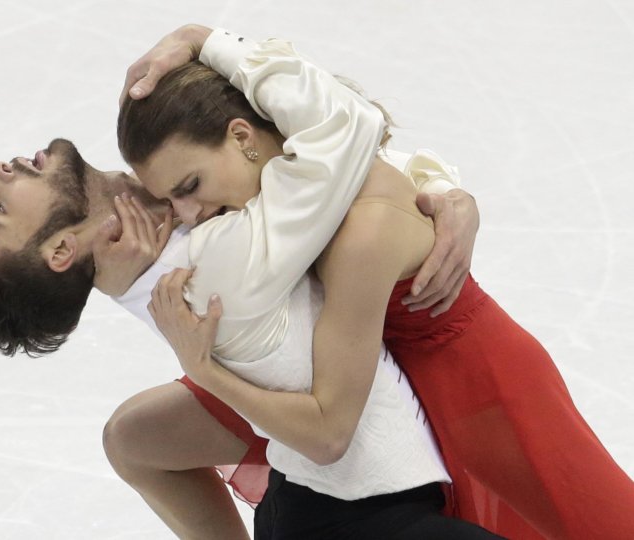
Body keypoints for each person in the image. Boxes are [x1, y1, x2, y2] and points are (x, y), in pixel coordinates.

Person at [0, 30, 481, 540]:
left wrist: (441, 194)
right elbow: (344, 135)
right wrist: (203, 39)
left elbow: (320, 174)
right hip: (365, 504)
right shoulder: (214, 261)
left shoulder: (160, 237)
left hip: (341, 488)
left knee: (131, 437)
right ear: (60, 250)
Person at [117, 25, 634, 539]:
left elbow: (349, 135)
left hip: (474, 386)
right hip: (363, 374)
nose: (189, 215)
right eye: (171, 200)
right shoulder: (298, 186)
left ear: (242, 137)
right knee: (133, 436)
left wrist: (201, 37)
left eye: (191, 186)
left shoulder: (356, 217)